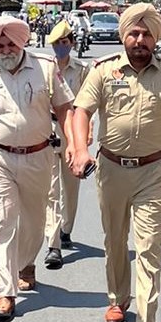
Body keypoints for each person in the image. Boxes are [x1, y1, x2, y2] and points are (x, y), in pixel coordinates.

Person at [70, 3, 161, 322]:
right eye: (134, 33)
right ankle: (117, 298)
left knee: (148, 247)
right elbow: (81, 111)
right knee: (114, 240)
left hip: (155, 172)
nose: (140, 40)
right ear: (124, 36)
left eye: (147, 34)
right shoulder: (104, 71)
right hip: (111, 169)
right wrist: (80, 149)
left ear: (156, 38)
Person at [0, 15, 74, 322]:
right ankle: (4, 292)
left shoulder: (45, 70)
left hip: (38, 158)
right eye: (0, 45)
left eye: (10, 44)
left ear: (22, 44)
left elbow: (64, 109)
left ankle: (25, 263)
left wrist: (75, 145)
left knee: (35, 223)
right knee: (2, 219)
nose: (5, 50)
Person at [42, 19, 91, 269]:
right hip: (49, 131)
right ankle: (53, 245)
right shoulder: (44, 68)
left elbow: (87, 105)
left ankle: (66, 229)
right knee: (51, 190)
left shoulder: (82, 70)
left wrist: (86, 135)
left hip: (73, 130)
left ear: (72, 43)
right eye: (56, 44)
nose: (60, 47)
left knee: (70, 188)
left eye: (64, 42)